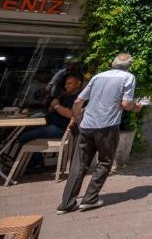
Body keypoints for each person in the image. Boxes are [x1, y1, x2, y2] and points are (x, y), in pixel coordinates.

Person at [57, 54, 142, 214]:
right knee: (104, 162)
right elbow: (125, 104)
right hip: (107, 127)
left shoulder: (97, 77)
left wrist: (75, 118)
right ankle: (90, 199)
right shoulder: (128, 77)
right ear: (129, 66)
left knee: (79, 164)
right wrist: (136, 106)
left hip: (87, 125)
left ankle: (66, 204)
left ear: (112, 63)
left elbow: (78, 101)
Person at [12, 73, 84, 175]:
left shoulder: (79, 98)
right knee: (26, 130)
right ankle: (33, 163)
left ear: (78, 83)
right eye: (66, 84)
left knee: (24, 136)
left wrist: (56, 106)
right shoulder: (67, 95)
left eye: (70, 83)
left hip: (61, 129)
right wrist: (52, 106)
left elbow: (71, 114)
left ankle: (36, 164)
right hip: (52, 125)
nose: (66, 85)